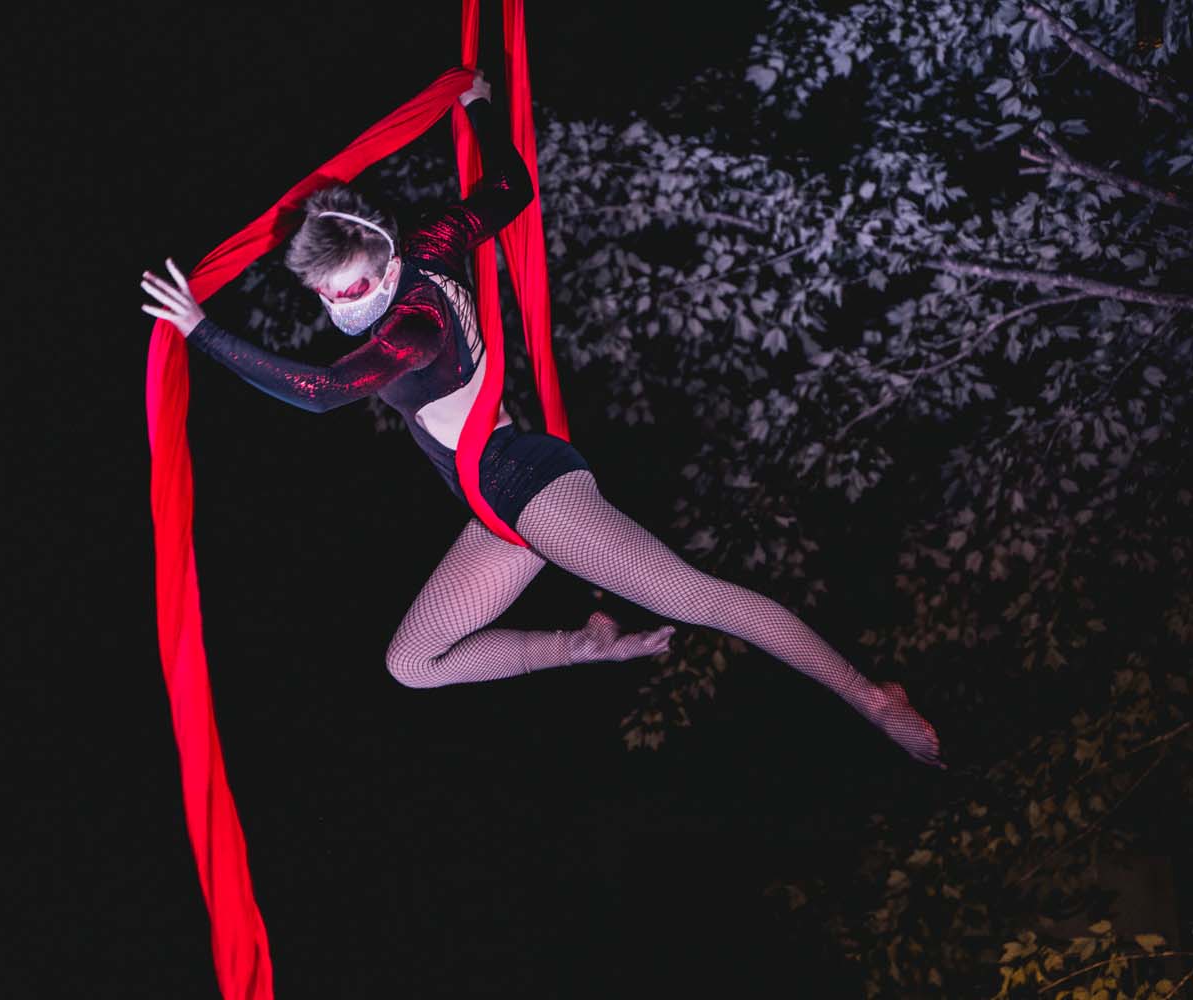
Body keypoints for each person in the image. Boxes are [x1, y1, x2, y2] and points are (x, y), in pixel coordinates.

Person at [139, 70, 944, 768]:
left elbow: (320, 391)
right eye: (324, 295)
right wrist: (481, 108)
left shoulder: (411, 326)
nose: (340, 307)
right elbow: (510, 189)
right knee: (412, 664)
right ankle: (582, 646)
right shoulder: (432, 243)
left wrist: (202, 332)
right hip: (496, 507)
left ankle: (872, 697)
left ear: (383, 259)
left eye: (350, 288)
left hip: (526, 484)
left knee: (701, 598)